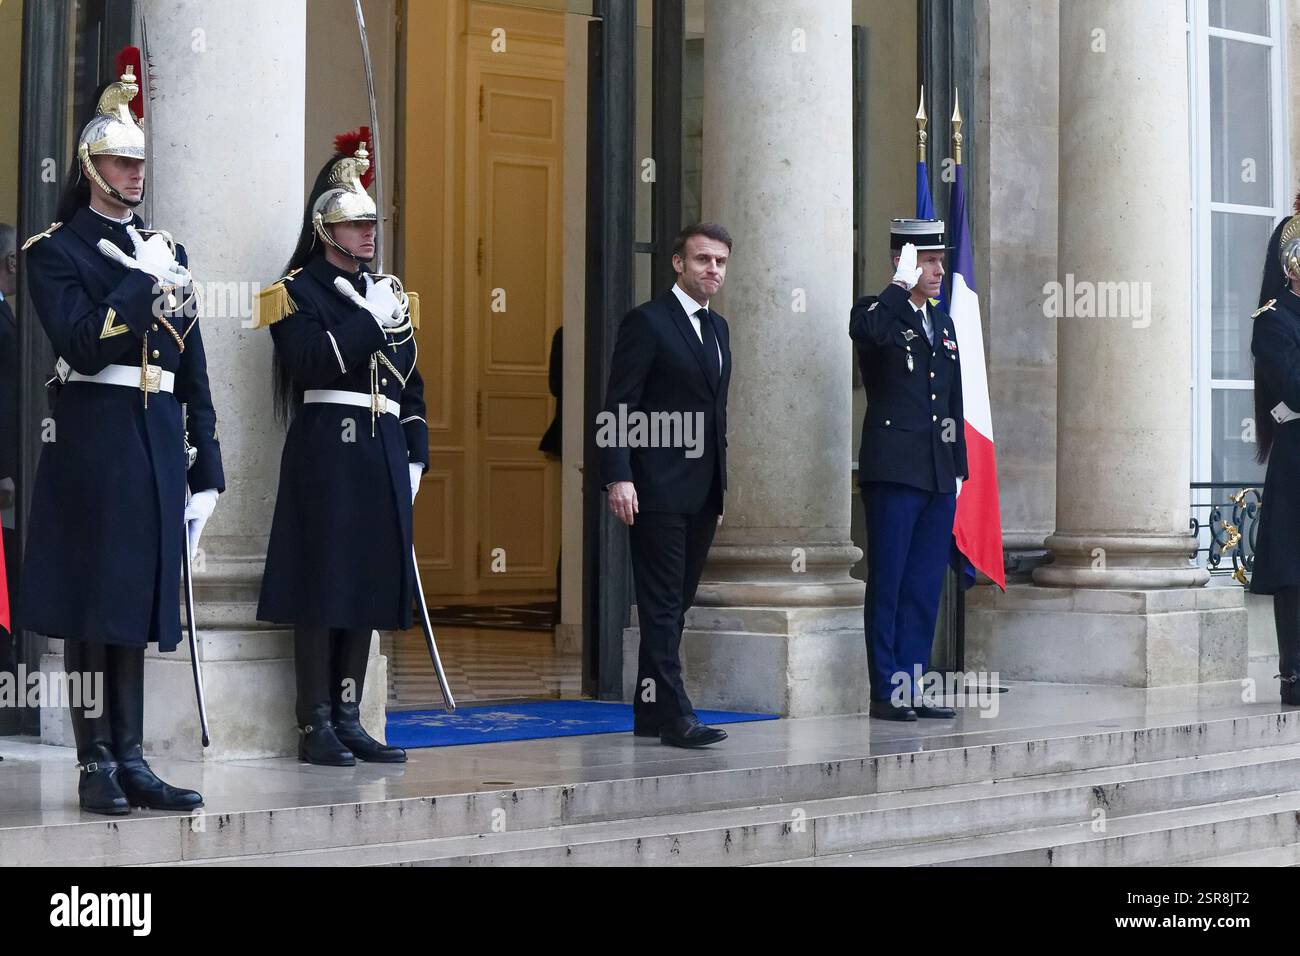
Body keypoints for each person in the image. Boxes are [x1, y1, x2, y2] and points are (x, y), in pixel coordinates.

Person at [19, 54, 223, 813]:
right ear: (89, 166)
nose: (135, 173)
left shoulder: (169, 250)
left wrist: (210, 463)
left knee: (135, 601)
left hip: (156, 435)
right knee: (91, 603)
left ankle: (134, 758)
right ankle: (94, 760)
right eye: (120, 161)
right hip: (95, 438)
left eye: (139, 161)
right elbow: (78, 341)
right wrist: (139, 281)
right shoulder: (54, 253)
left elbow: (191, 360)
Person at [255, 130, 425, 766]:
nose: (368, 234)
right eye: (355, 225)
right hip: (328, 444)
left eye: (371, 223)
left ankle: (350, 715)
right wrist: (368, 322)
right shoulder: (292, 291)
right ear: (327, 229)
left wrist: (416, 448)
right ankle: (315, 723)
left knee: (367, 585)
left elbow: (413, 378)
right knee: (324, 584)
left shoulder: (387, 289)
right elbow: (309, 364)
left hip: (381, 444)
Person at [601, 222, 732, 748]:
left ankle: (650, 711)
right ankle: (677, 714)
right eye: (703, 260)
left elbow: (716, 414)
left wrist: (720, 486)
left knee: (676, 604)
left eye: (720, 262)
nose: (713, 270)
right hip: (654, 487)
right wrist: (618, 475)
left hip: (702, 490)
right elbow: (620, 404)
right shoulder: (648, 322)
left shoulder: (719, 329)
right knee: (659, 604)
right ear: (678, 264)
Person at [849, 219, 967, 721]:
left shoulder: (942, 323)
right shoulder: (878, 312)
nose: (940, 270)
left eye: (941, 260)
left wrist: (959, 468)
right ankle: (886, 691)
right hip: (894, 472)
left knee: (922, 586)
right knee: (891, 582)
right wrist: (898, 285)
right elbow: (866, 334)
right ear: (904, 262)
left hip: (937, 473)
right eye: (929, 261)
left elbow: (952, 401)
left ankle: (912, 685)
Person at [1248, 195, 1300, 706]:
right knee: (1294, 568)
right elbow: (1293, 386)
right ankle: (1296, 675)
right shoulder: (1273, 319)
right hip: (1297, 457)